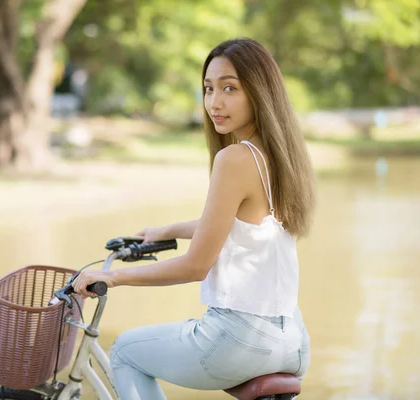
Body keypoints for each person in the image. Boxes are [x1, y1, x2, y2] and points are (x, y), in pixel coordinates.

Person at [72, 37, 315, 399]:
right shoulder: (281, 155)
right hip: (293, 339)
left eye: (229, 88)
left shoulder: (234, 159)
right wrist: (167, 230)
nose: (214, 103)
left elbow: (195, 266)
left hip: (240, 339)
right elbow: (239, 228)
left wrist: (111, 277)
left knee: (125, 351)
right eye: (208, 88)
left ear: (259, 91)